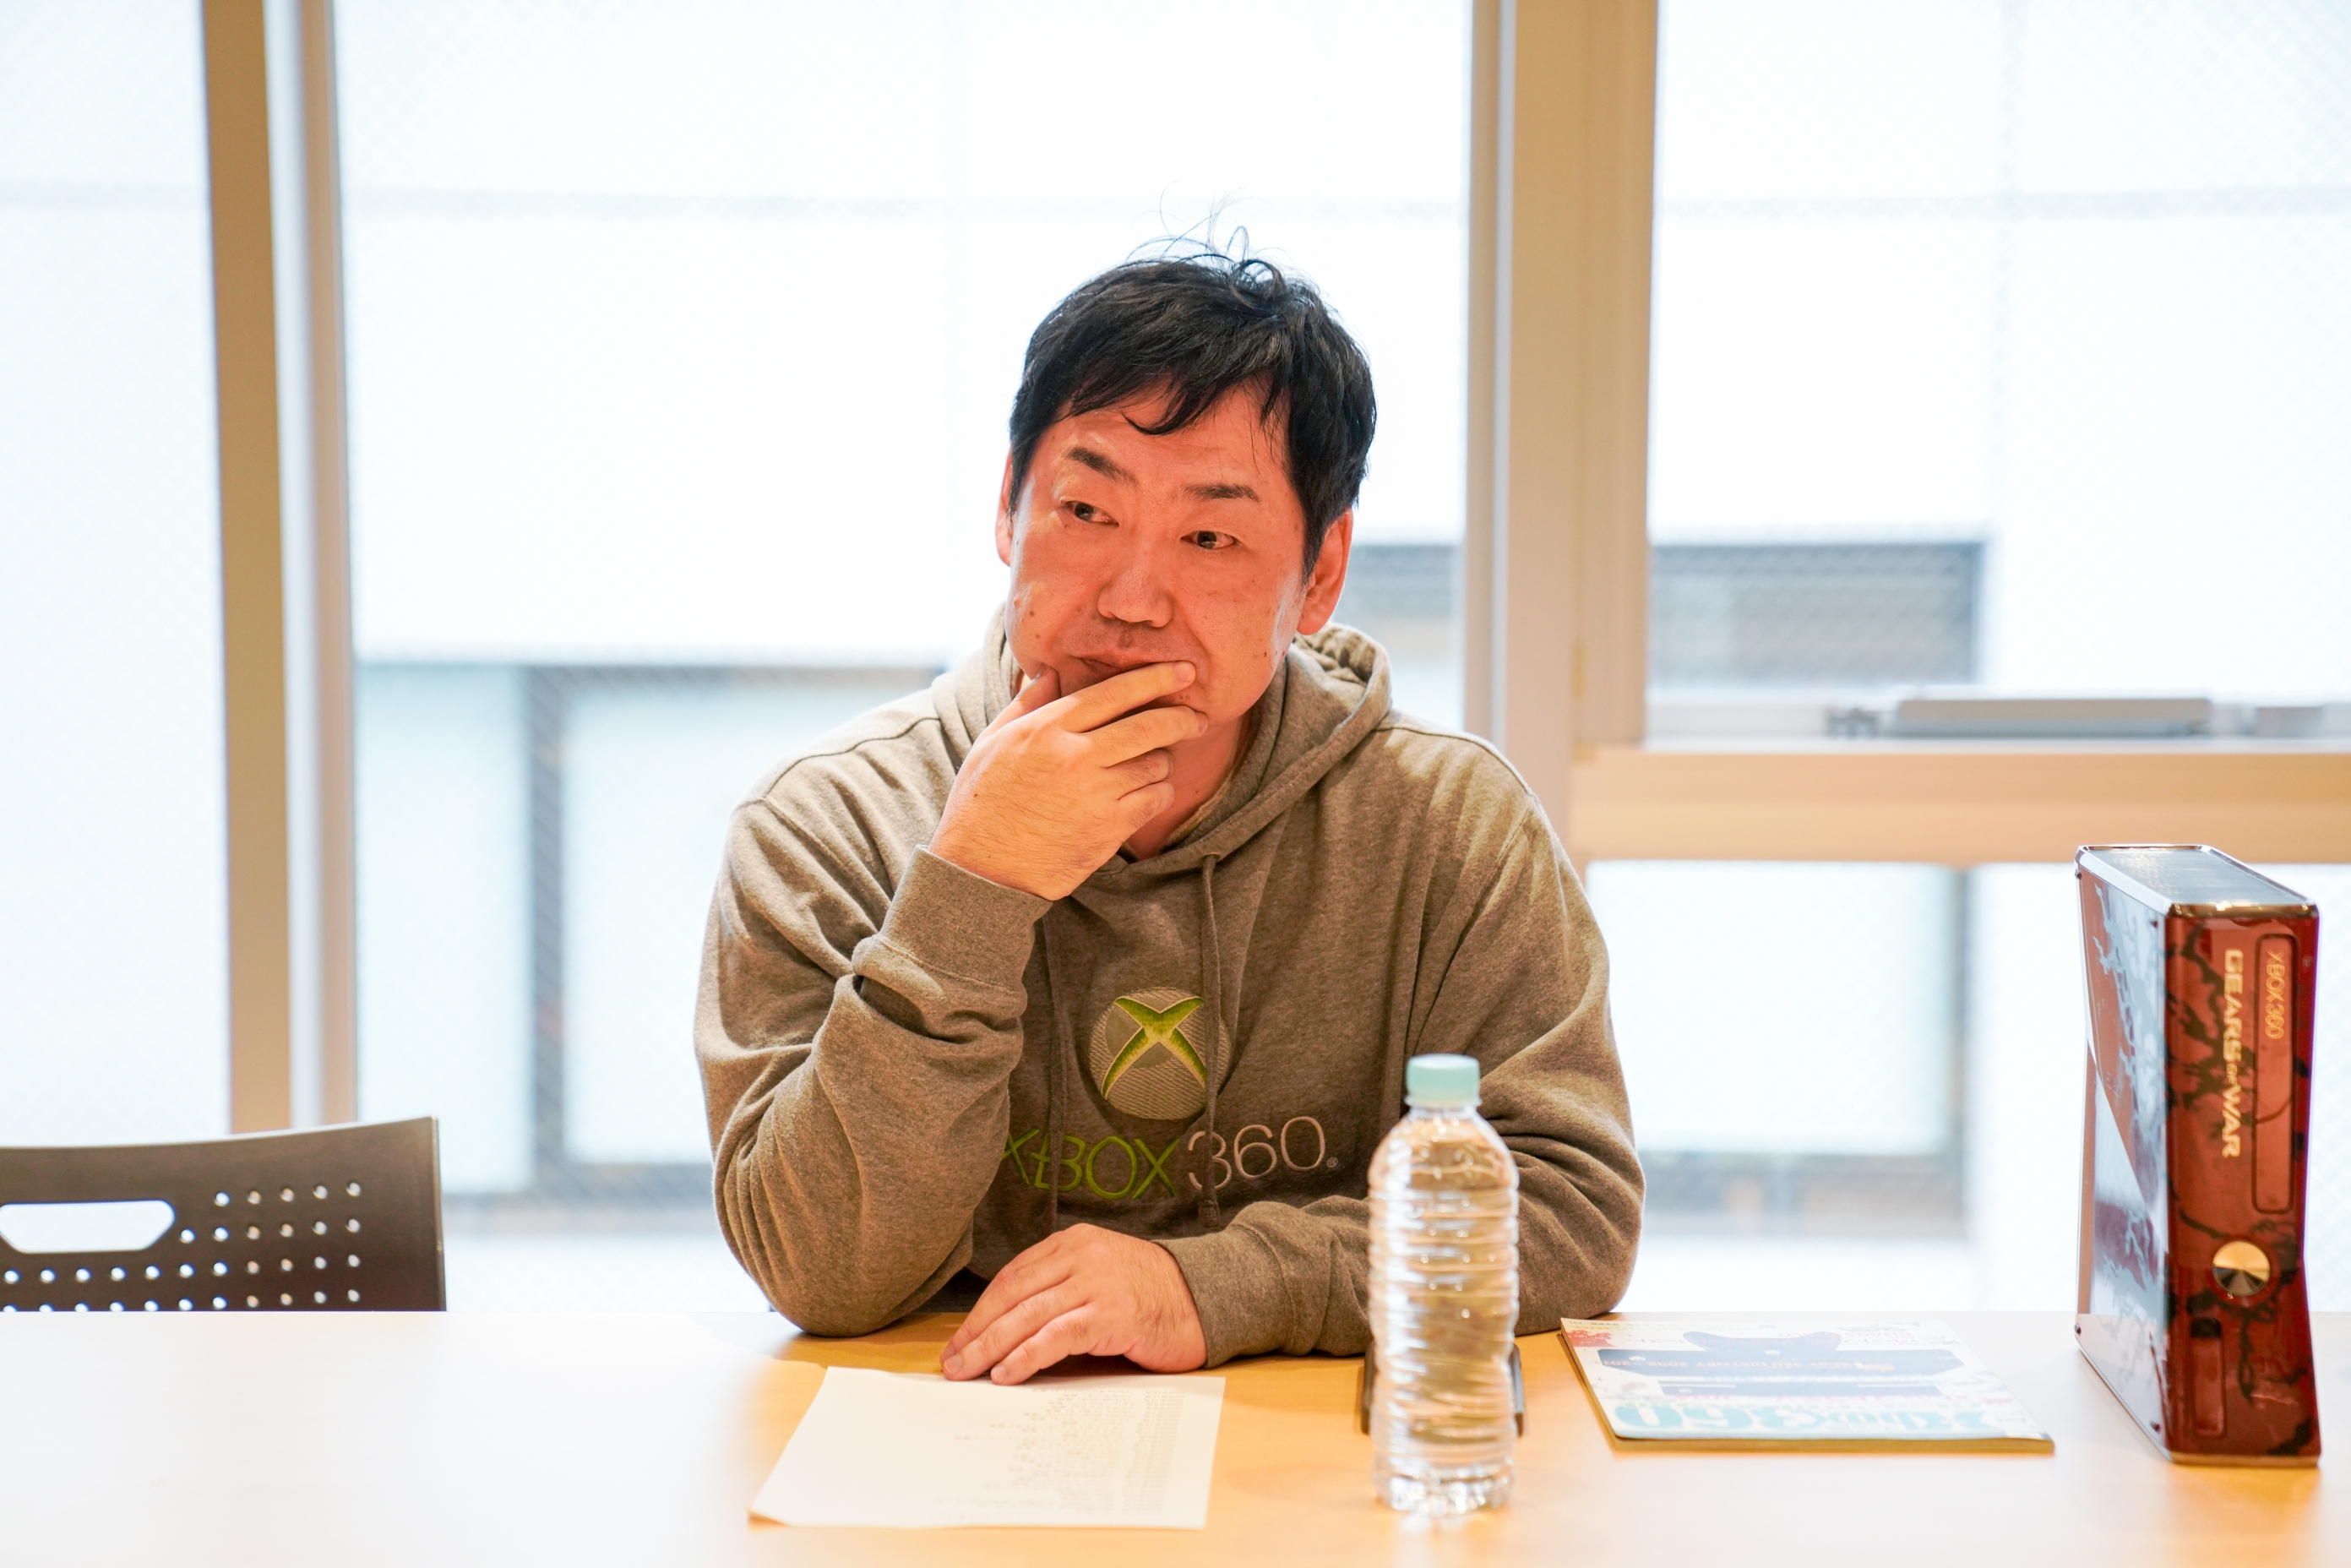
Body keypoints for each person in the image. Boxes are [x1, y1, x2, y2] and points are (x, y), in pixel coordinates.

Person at [695, 247, 1641, 1386]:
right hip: (949, 1431)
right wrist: (972, 889)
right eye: (1085, 510)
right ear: (1007, 508)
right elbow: (819, 1272)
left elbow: (1573, 1216)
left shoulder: (1446, 825)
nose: (1131, 600)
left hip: (1310, 1458)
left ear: (1321, 573)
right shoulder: (825, 824)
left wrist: (1219, 1284)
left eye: (1209, 538)